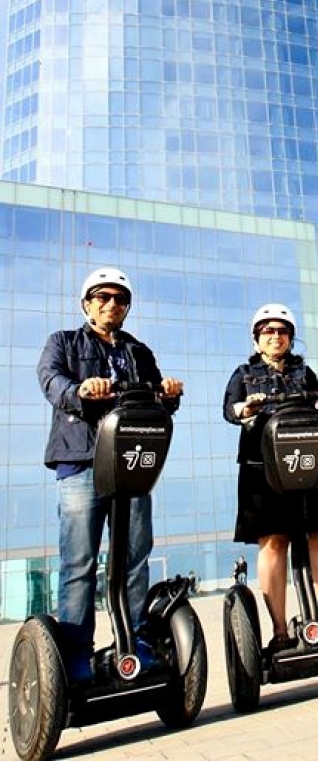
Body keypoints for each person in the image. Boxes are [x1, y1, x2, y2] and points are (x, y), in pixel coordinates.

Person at [37, 267, 184, 681]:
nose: (111, 304)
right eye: (102, 297)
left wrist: (168, 393)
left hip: (131, 462)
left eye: (119, 299)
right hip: (81, 461)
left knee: (135, 557)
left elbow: (155, 400)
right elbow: (51, 380)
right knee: (80, 562)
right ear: (87, 303)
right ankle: (77, 655)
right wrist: (80, 390)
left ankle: (135, 640)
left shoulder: (138, 352)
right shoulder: (63, 343)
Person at [223, 303, 318, 647]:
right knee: (274, 541)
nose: (276, 337)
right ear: (257, 339)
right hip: (262, 467)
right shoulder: (243, 374)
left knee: (314, 537)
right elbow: (231, 410)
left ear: (290, 338)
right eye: (268, 331)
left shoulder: (305, 373)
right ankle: (279, 631)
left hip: (303, 462)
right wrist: (247, 408)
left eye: (283, 331)